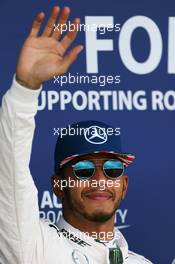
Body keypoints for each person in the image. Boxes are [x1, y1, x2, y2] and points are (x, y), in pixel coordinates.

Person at [0, 6, 153, 264]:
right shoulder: (34, 246)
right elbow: (10, 173)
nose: (100, 180)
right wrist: (25, 90)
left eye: (113, 169)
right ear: (58, 186)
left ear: (124, 185)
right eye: (83, 170)